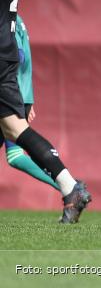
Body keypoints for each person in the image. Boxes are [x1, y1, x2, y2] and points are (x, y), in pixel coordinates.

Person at [0, 0, 91, 222]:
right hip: (5, 48)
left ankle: (69, 187)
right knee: (14, 128)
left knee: (15, 133)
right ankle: (69, 187)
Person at [2, 17, 58, 190]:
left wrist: (22, 99)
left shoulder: (7, 17)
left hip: (8, 95)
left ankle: (70, 186)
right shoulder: (16, 19)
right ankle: (70, 185)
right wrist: (26, 98)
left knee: (15, 155)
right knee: (15, 155)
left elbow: (18, 56)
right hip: (15, 93)